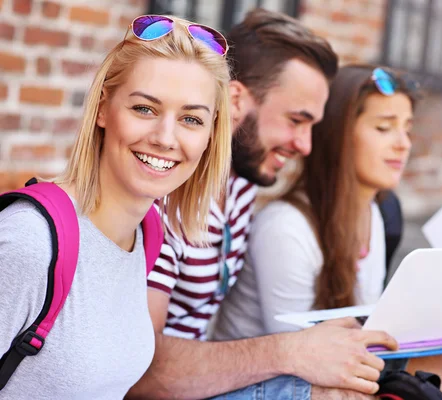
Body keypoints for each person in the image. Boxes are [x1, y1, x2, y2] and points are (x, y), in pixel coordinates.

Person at [129, 9, 398, 400]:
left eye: (312, 127)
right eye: (295, 120)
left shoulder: (240, 184)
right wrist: (290, 351)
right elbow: (141, 372)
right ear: (236, 101)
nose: (304, 145)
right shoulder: (164, 195)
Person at [0, 14, 232, 399]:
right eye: (145, 109)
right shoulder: (30, 242)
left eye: (191, 119)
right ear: (104, 109)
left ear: (210, 135)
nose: (165, 138)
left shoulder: (147, 234)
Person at [212, 64, 417, 339]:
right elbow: (296, 355)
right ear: (338, 137)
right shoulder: (286, 228)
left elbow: (369, 321)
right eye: (384, 128)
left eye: (407, 129)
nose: (403, 144)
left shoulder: (373, 212)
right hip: (268, 377)